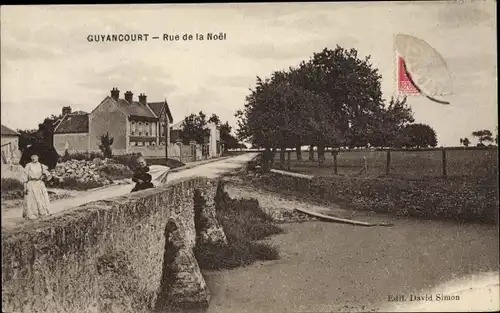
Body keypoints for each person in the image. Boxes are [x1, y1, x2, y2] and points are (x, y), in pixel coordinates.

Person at [22, 153, 52, 220]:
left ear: (38, 157)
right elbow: (24, 177)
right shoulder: (28, 165)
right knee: (31, 200)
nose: (34, 158)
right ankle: (32, 215)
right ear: (30, 157)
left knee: (41, 198)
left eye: (35, 156)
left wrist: (44, 177)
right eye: (32, 156)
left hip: (39, 184)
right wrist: (25, 187)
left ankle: (42, 213)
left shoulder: (41, 166)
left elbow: (48, 175)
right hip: (31, 184)